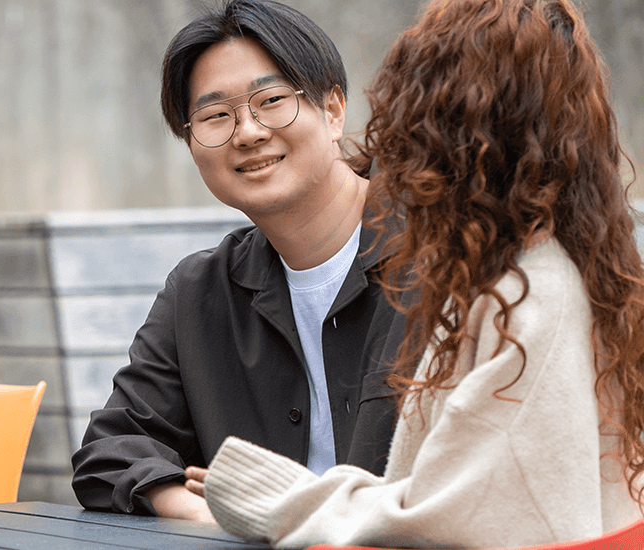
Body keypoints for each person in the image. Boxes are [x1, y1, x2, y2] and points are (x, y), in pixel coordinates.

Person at [195, 0, 644, 546]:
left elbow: (464, 522)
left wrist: (272, 498)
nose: (396, 147)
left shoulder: (530, 298)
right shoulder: (515, 277)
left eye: (417, 116)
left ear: (466, 138)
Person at [72, 0, 408, 521]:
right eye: (215, 116)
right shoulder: (201, 290)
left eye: (271, 100)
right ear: (190, 144)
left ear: (333, 110)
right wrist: (207, 514)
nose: (248, 132)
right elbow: (110, 451)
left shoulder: (443, 254)